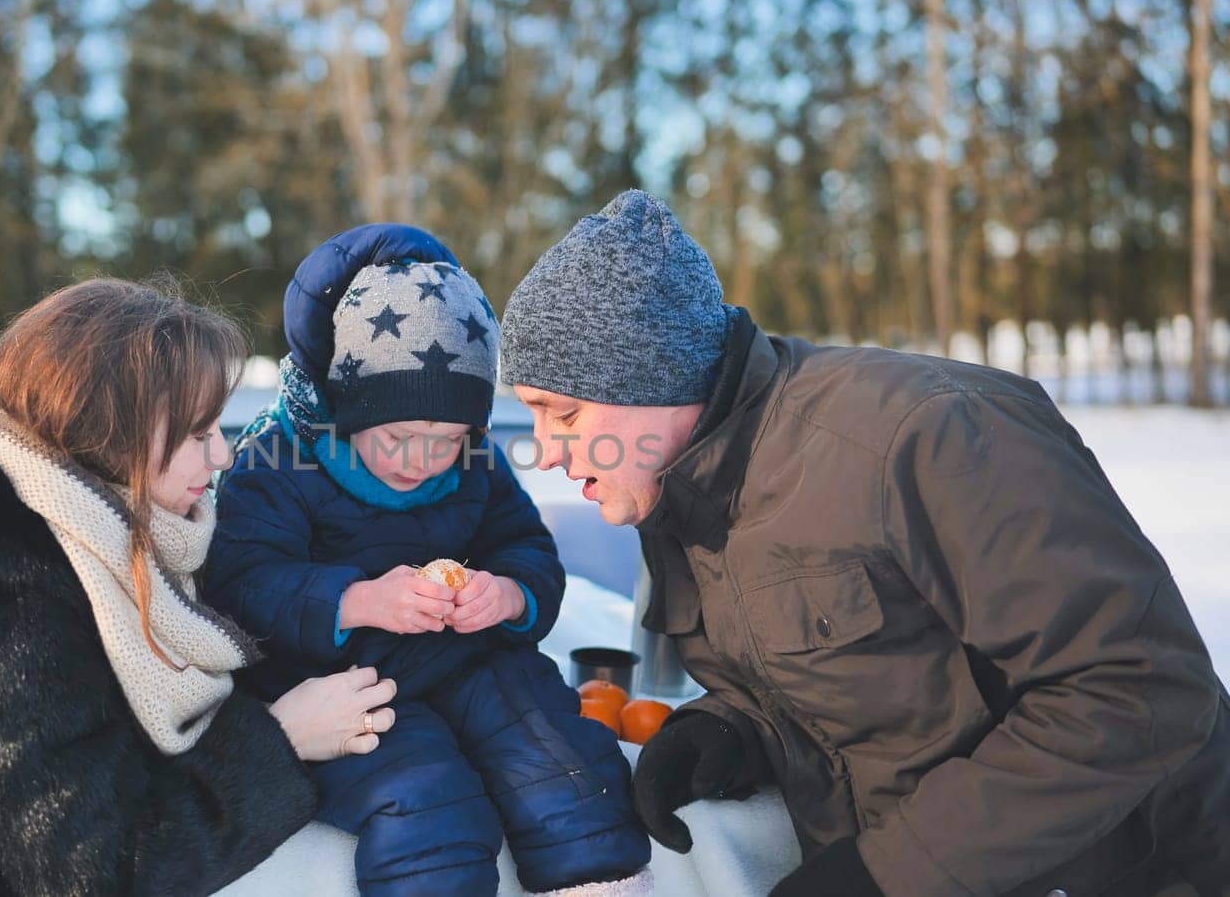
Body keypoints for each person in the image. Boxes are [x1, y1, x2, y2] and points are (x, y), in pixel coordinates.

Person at [499, 190, 1230, 897]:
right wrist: (729, 730)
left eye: (560, 413)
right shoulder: (688, 488)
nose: (547, 452)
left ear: (650, 378)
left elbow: (1138, 691)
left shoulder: (928, 436)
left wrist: (886, 877)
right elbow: (873, 682)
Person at [0, 278, 399, 896]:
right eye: (197, 434)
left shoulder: (133, 546)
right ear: (107, 434)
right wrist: (279, 740)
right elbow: (98, 871)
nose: (223, 456)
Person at [203, 225, 651, 896]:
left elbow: (527, 547)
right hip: (345, 683)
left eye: (445, 440)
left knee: (559, 756)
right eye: (401, 438)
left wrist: (508, 593)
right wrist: (356, 600)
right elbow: (238, 584)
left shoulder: (475, 460)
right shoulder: (277, 460)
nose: (423, 458)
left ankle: (598, 884)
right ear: (352, 413)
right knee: (426, 800)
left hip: (467, 657)